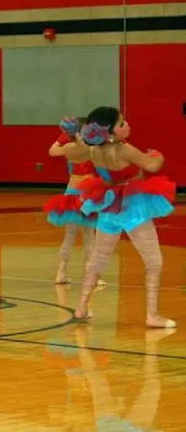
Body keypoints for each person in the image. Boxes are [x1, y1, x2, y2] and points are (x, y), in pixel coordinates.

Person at [62, 106, 176, 328]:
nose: (127, 125)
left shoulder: (94, 152)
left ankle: (82, 307)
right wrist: (157, 155)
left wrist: (77, 139)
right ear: (111, 132)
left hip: (108, 205)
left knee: (98, 258)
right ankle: (152, 314)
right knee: (154, 261)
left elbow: (69, 151)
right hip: (133, 208)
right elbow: (152, 165)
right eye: (122, 123)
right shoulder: (126, 149)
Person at [43, 116, 104, 286]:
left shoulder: (71, 147)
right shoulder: (89, 147)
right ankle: (87, 274)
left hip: (75, 191)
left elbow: (52, 151)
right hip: (85, 191)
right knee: (88, 236)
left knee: (71, 236)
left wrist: (62, 139)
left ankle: (61, 273)